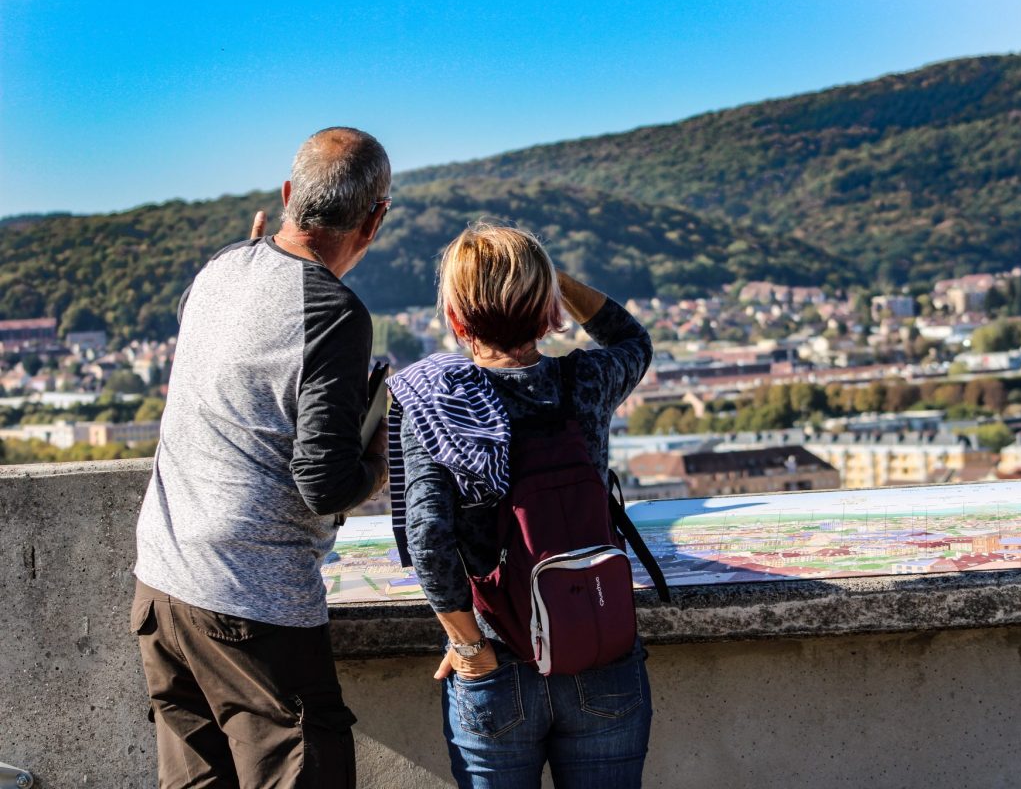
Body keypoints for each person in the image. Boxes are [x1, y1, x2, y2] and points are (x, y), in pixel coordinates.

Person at [130, 127, 392, 788]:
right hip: (250, 601)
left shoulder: (220, 268)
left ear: (287, 195)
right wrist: (379, 457)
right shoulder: (332, 311)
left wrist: (250, 251)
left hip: (163, 582)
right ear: (376, 219)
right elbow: (324, 483)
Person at [388, 223, 655, 788]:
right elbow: (632, 340)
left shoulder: (437, 405)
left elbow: (429, 542)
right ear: (548, 312)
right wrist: (550, 280)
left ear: (456, 320)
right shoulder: (587, 382)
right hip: (598, 638)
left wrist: (468, 645)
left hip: (498, 655)